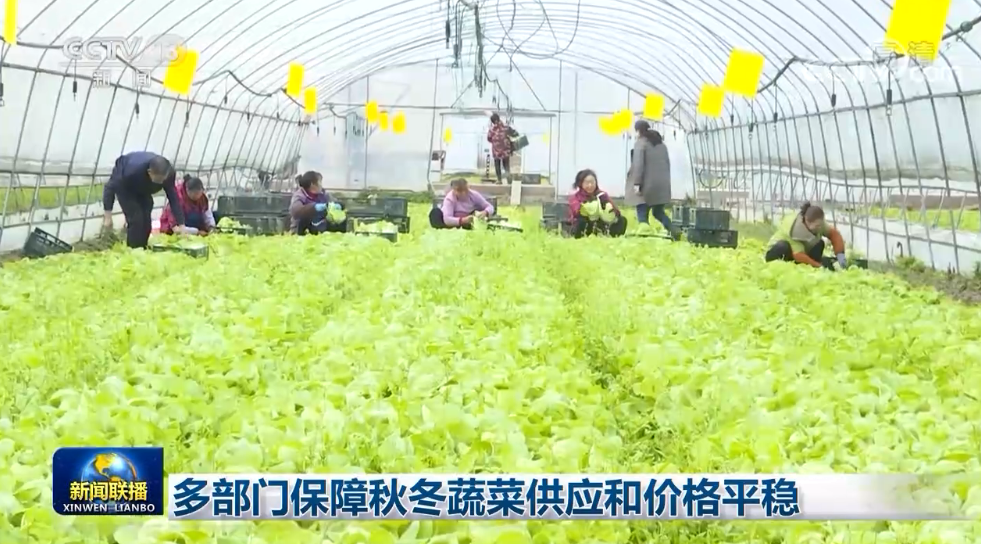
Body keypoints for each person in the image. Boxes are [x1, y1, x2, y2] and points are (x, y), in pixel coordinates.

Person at [102, 151, 185, 249]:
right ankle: (133, 249)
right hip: (125, 187)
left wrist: (181, 224)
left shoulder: (169, 174)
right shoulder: (130, 172)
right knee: (136, 219)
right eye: (158, 180)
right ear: (150, 172)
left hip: (143, 188)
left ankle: (143, 247)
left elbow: (173, 197)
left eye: (163, 179)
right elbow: (109, 187)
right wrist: (108, 216)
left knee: (146, 217)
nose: (161, 182)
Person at [627, 120, 680, 240]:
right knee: (658, 212)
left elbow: (638, 164)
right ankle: (674, 230)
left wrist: (637, 183)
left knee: (641, 206)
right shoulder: (661, 144)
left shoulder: (641, 143)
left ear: (638, 131)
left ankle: (644, 233)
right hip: (662, 185)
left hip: (647, 185)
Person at [766, 202, 848, 269]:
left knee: (819, 243)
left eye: (821, 224)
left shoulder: (818, 224)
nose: (820, 227)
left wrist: (840, 255)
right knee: (783, 247)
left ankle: (813, 265)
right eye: (817, 226)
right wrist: (819, 266)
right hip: (779, 252)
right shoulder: (795, 229)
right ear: (807, 221)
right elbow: (798, 255)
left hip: (800, 252)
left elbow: (834, 234)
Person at [568, 169, 627, 238]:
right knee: (581, 221)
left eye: (592, 182)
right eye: (587, 183)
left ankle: (612, 235)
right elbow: (576, 211)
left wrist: (608, 207)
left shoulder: (602, 195)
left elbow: (616, 212)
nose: (590, 185)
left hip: (601, 223)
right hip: (586, 224)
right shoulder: (576, 197)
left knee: (622, 220)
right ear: (580, 184)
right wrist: (587, 208)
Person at [289, 171, 348, 235]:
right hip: (300, 232)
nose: (321, 185)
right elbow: (296, 211)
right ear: (312, 184)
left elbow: (336, 202)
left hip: (320, 230)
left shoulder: (323, 194)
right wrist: (315, 207)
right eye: (320, 182)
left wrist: (338, 205)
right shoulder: (299, 195)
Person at [430, 178, 494, 229]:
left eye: (465, 190)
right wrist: (462, 220)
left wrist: (485, 212)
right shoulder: (449, 199)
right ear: (454, 190)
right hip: (454, 220)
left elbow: (490, 207)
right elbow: (447, 219)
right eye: (459, 191)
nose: (463, 193)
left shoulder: (474, 195)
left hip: (470, 218)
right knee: (435, 213)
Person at [487, 113, 511, 184]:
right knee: (506, 165)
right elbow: (513, 135)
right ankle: (509, 179)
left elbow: (489, 138)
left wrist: (495, 142)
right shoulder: (506, 127)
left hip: (496, 150)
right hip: (505, 150)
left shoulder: (492, 129)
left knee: (497, 164)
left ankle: (499, 180)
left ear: (492, 121)